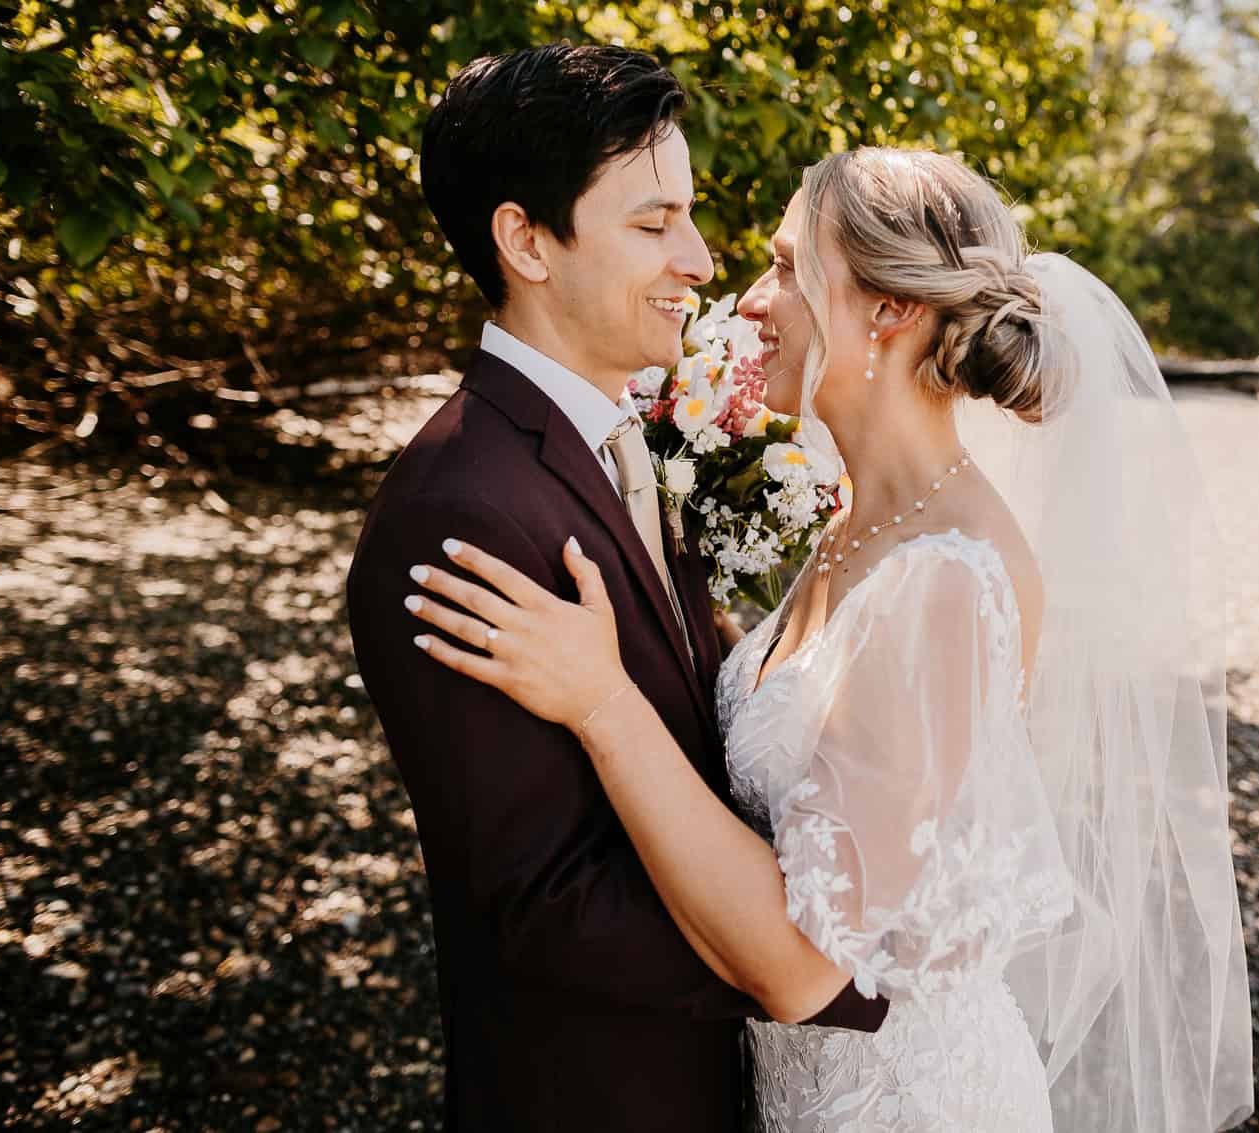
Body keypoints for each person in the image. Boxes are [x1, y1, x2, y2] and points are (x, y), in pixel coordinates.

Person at [405, 146, 1256, 1131]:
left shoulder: (944, 577)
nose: (752, 302)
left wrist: (601, 701)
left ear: (890, 310)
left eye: (784, 268)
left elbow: (802, 964)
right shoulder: (864, 516)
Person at [344, 46, 887, 1133]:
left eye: (688, 217)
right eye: (652, 224)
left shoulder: (623, 433)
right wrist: (812, 968)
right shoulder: (460, 510)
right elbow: (547, 898)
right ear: (525, 240)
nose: (697, 257)